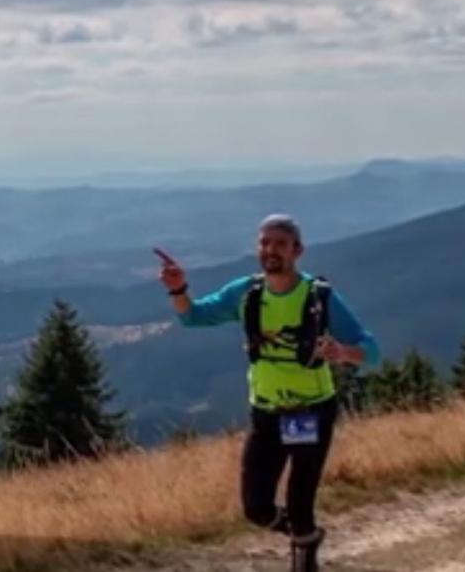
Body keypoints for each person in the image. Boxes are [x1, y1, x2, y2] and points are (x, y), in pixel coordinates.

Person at [155, 213, 380, 571]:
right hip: (266, 412)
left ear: (297, 250)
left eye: (279, 243)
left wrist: (344, 353)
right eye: (264, 243)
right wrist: (178, 289)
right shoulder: (247, 293)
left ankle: (303, 548)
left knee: (299, 500)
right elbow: (193, 316)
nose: (270, 250)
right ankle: (305, 534)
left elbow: (371, 348)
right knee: (256, 507)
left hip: (310, 411)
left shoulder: (318, 297)